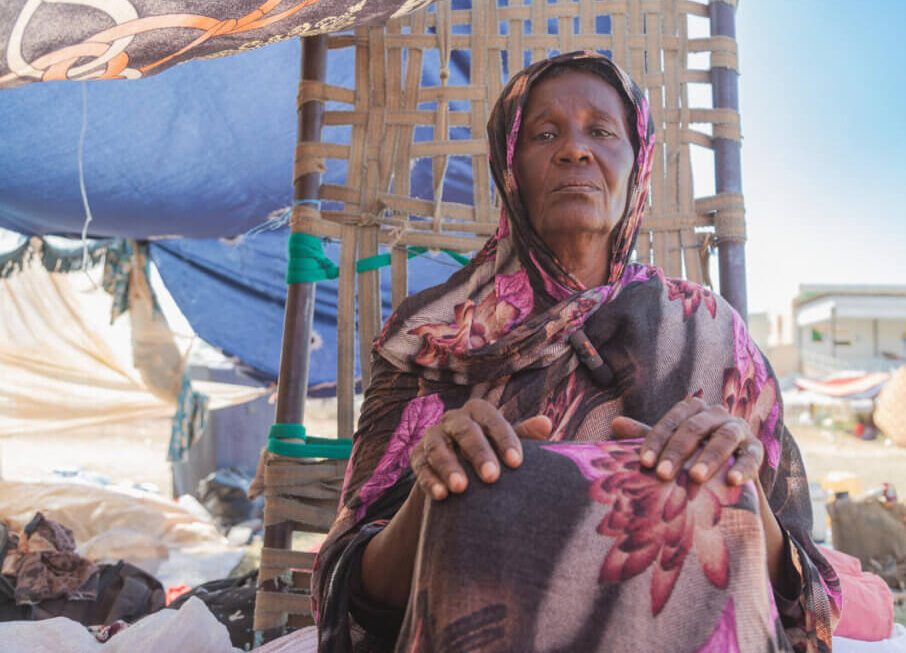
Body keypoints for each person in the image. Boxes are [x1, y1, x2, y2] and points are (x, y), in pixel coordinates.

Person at [312, 51, 841, 652]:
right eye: (543, 134)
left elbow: (806, 594)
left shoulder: (710, 333)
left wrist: (736, 487)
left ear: (637, 161)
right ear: (509, 166)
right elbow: (351, 592)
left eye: (601, 131)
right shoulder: (430, 338)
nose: (574, 151)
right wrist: (433, 494)